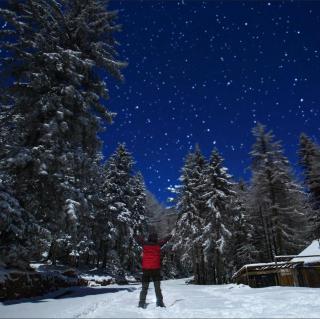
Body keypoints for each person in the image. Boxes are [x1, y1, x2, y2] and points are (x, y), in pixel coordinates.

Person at [137, 232, 171, 309]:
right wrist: (170, 236)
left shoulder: (144, 245)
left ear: (149, 238)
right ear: (156, 239)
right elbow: (164, 240)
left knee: (144, 288)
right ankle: (160, 302)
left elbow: (139, 240)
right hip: (156, 269)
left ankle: (141, 303)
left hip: (146, 269)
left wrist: (135, 235)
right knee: (157, 287)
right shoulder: (158, 245)